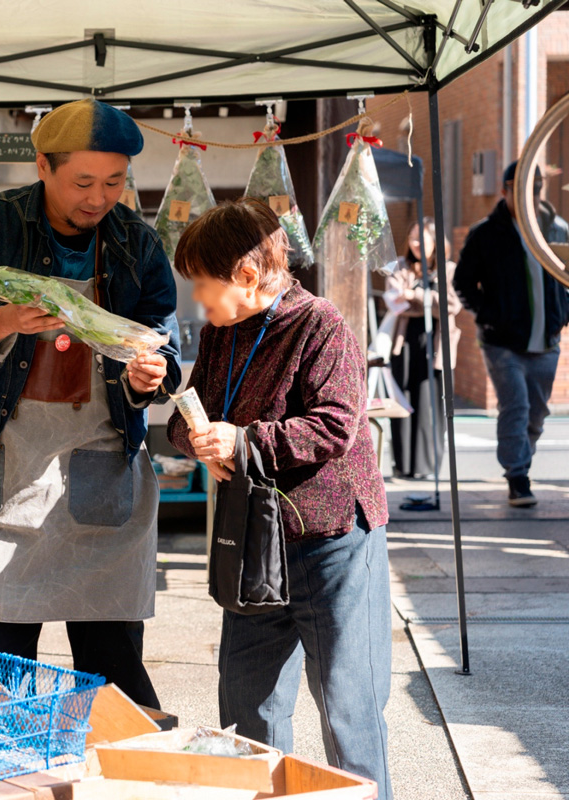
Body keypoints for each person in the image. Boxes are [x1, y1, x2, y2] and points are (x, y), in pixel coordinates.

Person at [0, 99, 180, 709]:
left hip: (100, 458)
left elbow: (163, 344)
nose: (99, 198)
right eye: (83, 182)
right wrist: (2, 320)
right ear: (43, 166)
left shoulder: (137, 244)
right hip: (4, 457)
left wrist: (148, 377)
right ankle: (2, 758)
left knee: (112, 669)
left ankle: (113, 761)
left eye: (114, 182)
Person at [167, 200, 392, 798]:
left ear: (246, 274)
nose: (198, 301)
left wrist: (243, 442)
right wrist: (196, 436)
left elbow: (336, 427)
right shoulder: (221, 333)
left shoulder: (322, 324)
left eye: (203, 285)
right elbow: (186, 419)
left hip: (333, 536)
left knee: (348, 707)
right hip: (253, 538)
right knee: (249, 705)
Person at [453, 161, 569, 507]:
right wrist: (489, 315)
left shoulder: (558, 229)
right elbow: (463, 283)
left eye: (536, 189)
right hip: (502, 343)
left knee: (537, 413)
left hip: (546, 340)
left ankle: (521, 462)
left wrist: (563, 313)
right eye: (521, 190)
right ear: (505, 190)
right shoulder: (487, 233)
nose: (530, 197)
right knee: (516, 405)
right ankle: (517, 476)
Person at [383, 218, 461, 480]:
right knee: (403, 402)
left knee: (430, 403)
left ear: (435, 240)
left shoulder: (448, 270)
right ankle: (403, 465)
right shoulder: (400, 266)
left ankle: (426, 467)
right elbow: (394, 300)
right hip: (404, 343)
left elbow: (452, 306)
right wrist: (428, 303)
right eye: (413, 237)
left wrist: (415, 296)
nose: (416, 243)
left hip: (435, 345)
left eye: (422, 238)